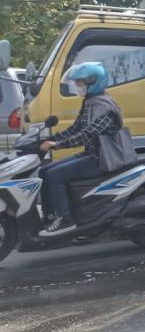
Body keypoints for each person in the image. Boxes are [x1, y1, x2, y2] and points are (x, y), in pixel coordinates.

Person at [38, 62, 126, 236]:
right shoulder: (91, 101)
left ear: (93, 82)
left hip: (102, 159)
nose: (76, 86)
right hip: (91, 154)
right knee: (44, 171)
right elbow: (75, 128)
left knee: (54, 176)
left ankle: (65, 220)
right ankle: (50, 216)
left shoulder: (104, 107)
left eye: (80, 83)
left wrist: (58, 145)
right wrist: (50, 139)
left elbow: (87, 134)